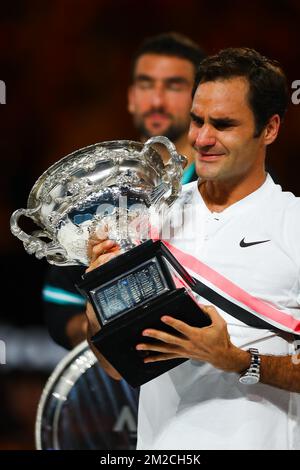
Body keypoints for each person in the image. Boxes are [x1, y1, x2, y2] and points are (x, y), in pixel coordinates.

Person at [86, 47, 300, 450]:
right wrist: (100, 299)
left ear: (269, 129)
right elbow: (113, 366)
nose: (201, 138)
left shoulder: (295, 226)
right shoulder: (148, 221)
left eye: (222, 124)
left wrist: (238, 361)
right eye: (197, 120)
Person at [43, 32, 206, 349]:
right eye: (146, 85)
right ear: (131, 97)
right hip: (124, 387)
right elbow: (60, 307)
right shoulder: (100, 193)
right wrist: (108, 332)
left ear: (199, 99)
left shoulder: (221, 188)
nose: (157, 100)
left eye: (174, 86)